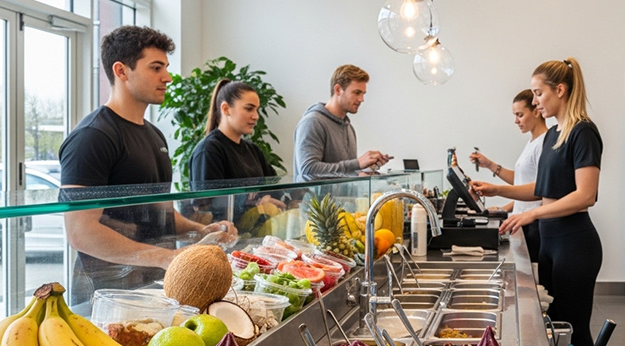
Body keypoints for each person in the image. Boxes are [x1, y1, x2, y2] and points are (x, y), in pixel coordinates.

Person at [59, 25, 236, 304]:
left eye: (165, 67)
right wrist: (166, 257)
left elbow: (160, 213)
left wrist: (202, 230)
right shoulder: (92, 137)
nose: (167, 77)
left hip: (156, 286)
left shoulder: (155, 135)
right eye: (156, 68)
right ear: (121, 71)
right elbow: (81, 232)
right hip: (106, 294)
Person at [470, 58, 603, 346]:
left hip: (574, 241)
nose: (534, 101)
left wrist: (533, 214)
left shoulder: (583, 132)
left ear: (560, 90)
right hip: (551, 242)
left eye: (538, 93)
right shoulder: (554, 134)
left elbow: (585, 195)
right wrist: (497, 189)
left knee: (573, 329)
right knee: (554, 325)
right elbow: (543, 189)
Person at [468, 89, 547, 262]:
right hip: (522, 221)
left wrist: (497, 190)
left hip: (533, 224)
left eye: (520, 114)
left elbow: (540, 188)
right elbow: (522, 181)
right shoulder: (532, 142)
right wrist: (490, 165)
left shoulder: (544, 143)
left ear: (536, 111)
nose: (516, 121)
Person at [189, 79, 285, 214]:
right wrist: (256, 203)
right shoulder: (209, 150)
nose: (256, 116)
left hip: (256, 232)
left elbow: (276, 190)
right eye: (249, 108)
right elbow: (206, 206)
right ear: (226, 109)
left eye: (257, 109)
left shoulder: (254, 150)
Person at [293, 64, 392, 181]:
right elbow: (307, 170)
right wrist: (357, 163)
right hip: (314, 200)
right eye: (356, 92)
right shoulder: (313, 122)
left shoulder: (349, 128)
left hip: (342, 199)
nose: (361, 99)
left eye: (363, 94)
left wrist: (367, 168)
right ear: (338, 89)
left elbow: (343, 172)